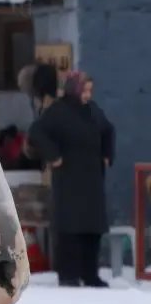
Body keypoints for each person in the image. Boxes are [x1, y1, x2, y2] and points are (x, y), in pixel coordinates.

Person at [26, 69, 116, 287]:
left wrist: (107, 154)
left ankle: (90, 274)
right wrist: (54, 156)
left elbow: (108, 130)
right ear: (73, 90)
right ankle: (69, 274)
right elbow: (36, 132)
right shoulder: (58, 111)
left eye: (90, 91)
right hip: (69, 180)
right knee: (70, 229)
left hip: (92, 179)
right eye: (84, 91)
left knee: (92, 229)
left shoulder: (93, 110)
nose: (87, 95)